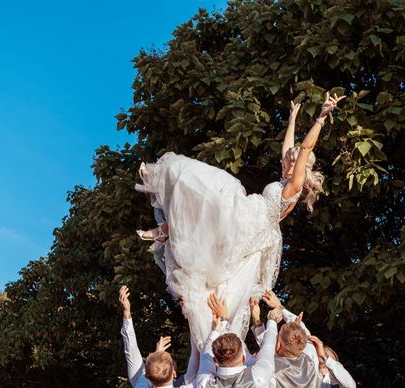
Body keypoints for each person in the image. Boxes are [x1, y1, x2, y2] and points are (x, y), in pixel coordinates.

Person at [135, 93, 345, 349]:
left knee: (213, 195)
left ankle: (164, 219)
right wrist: (291, 119)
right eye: (287, 158)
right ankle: (163, 228)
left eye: (290, 160)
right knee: (207, 208)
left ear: (298, 165)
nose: (286, 160)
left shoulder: (294, 186)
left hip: (254, 224)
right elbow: (288, 147)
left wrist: (322, 117)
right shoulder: (283, 177)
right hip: (248, 213)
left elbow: (305, 148)